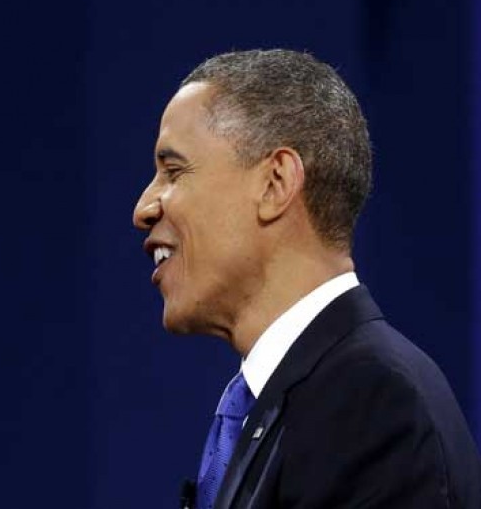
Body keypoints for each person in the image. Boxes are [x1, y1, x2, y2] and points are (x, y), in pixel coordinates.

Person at [133, 49, 481, 508]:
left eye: (173, 171)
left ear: (276, 182)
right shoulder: (299, 399)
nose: (144, 208)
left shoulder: (372, 405)